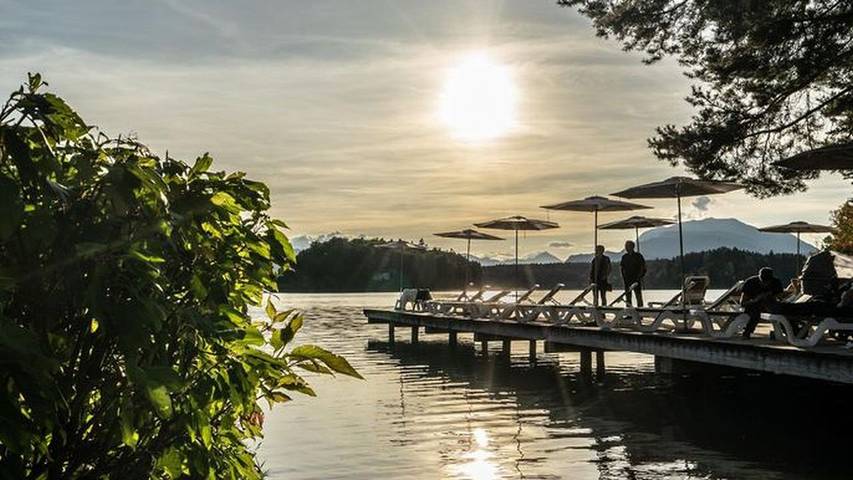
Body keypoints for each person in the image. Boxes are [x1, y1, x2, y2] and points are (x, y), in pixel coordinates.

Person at [739, 267, 784, 339]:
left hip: (770, 305)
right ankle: (747, 332)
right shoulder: (750, 282)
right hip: (753, 305)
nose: (765, 283)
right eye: (763, 281)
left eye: (767, 282)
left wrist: (770, 294)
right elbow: (742, 303)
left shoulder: (776, 282)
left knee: (782, 312)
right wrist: (755, 300)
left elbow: (781, 297)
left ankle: (791, 332)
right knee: (755, 311)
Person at [620, 240, 646, 307]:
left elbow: (643, 267)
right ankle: (629, 313)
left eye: (627, 246)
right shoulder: (624, 257)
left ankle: (640, 312)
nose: (626, 248)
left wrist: (639, 277)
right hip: (627, 280)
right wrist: (623, 277)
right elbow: (622, 268)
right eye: (626, 246)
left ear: (632, 247)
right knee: (628, 298)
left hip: (636, 279)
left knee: (638, 296)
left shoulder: (638, 256)